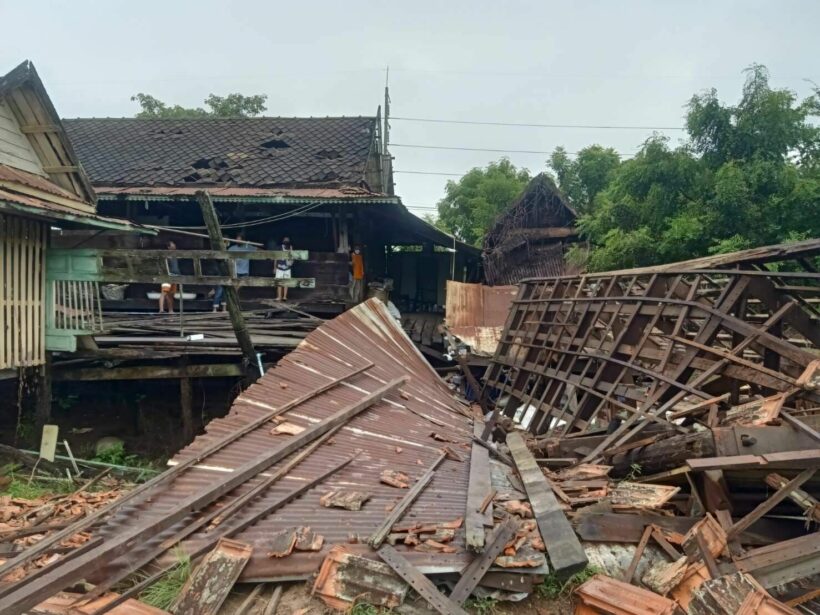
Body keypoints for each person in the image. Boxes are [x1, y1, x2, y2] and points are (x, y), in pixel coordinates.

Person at [159, 240, 181, 313]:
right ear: (168, 247)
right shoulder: (166, 255)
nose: (174, 245)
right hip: (167, 276)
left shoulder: (176, 254)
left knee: (171, 294)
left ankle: (170, 310)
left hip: (175, 276)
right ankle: (161, 309)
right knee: (164, 292)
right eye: (172, 244)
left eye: (174, 244)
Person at [275, 237, 294, 301]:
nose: (286, 241)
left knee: (286, 283)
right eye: (285, 240)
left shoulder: (290, 247)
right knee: (279, 283)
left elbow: (292, 257)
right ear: (283, 241)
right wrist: (274, 267)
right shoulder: (279, 248)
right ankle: (279, 296)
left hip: (287, 268)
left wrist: (291, 250)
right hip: (279, 267)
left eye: (287, 240)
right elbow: (276, 258)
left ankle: (284, 297)